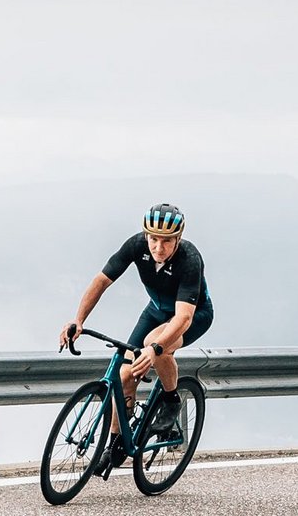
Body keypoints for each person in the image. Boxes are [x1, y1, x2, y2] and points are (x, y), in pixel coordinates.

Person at [59, 204, 214, 476]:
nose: (158, 247)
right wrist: (78, 320)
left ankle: (171, 399)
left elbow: (183, 318)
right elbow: (101, 281)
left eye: (166, 241)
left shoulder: (190, 258)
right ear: (146, 235)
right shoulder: (136, 245)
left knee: (157, 343)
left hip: (193, 315)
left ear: (178, 239)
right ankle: (116, 443)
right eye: (153, 239)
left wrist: (155, 349)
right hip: (156, 310)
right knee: (123, 374)